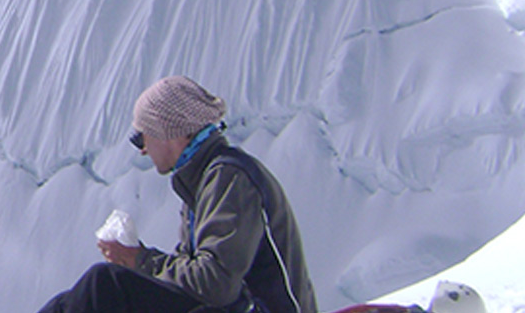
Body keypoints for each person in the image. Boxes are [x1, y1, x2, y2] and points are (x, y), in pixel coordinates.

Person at [40, 76, 317, 313]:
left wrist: (140, 261)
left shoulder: (230, 178)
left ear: (168, 131)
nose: (142, 150)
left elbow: (215, 285)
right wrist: (138, 261)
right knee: (67, 303)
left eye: (141, 136)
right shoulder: (203, 182)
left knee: (104, 284)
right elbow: (194, 277)